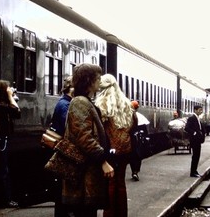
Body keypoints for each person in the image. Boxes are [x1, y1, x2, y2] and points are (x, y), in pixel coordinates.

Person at [62, 64, 114, 217]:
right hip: (83, 175)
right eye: (98, 78)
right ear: (89, 81)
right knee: (84, 213)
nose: (100, 81)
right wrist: (103, 161)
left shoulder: (85, 101)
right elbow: (84, 137)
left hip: (87, 172)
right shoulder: (80, 102)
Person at [95, 74, 136, 217]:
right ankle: (122, 214)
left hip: (110, 150)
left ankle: (110, 214)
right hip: (125, 149)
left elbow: (99, 129)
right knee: (121, 182)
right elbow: (133, 124)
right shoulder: (126, 103)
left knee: (110, 184)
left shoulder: (102, 104)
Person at [0, 80, 21, 208]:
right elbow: (16, 111)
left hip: (1, 138)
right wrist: (10, 96)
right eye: (8, 88)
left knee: (4, 169)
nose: (10, 89)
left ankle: (5, 198)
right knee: (2, 170)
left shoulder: (0, 104)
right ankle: (5, 200)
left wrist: (11, 97)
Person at [50, 76, 73, 217]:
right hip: (64, 149)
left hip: (63, 147)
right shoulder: (65, 105)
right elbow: (68, 128)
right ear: (72, 88)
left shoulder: (65, 102)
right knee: (63, 186)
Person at [129, 100, 149, 181]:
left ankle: (133, 171)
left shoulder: (128, 116)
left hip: (131, 139)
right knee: (138, 156)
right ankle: (136, 171)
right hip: (139, 140)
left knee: (132, 156)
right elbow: (145, 130)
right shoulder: (140, 117)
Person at [185, 105, 205, 177]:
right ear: (195, 110)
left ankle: (195, 171)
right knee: (195, 156)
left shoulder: (197, 118)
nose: (201, 111)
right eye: (200, 110)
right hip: (194, 140)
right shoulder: (192, 118)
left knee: (197, 155)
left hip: (197, 140)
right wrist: (195, 133)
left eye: (201, 110)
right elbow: (187, 128)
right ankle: (193, 172)